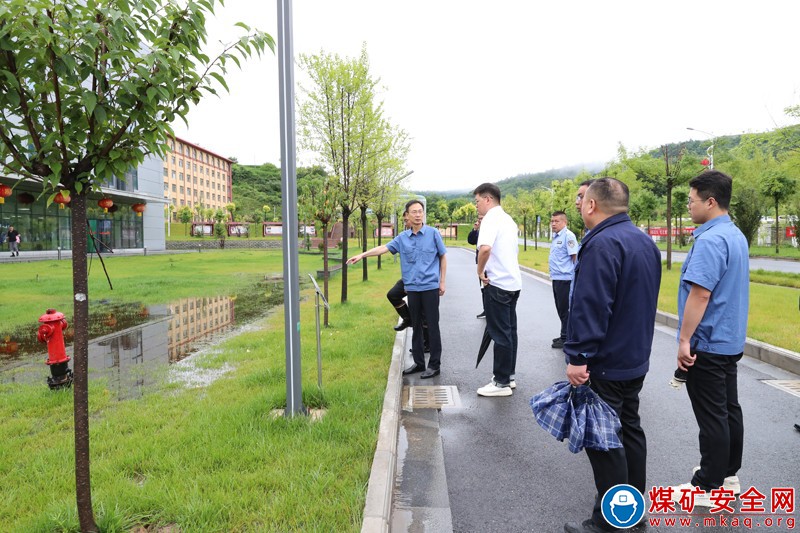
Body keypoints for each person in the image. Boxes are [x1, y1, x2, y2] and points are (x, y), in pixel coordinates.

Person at [563, 178, 661, 533]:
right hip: (635, 359)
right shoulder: (643, 241)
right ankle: (633, 516)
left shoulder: (602, 243)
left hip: (605, 362)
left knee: (603, 442)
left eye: (582, 201)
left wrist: (578, 357)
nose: (580, 206)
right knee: (629, 432)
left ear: (592, 205)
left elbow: (591, 306)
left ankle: (612, 523)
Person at [670, 170, 749, 506]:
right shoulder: (734, 235)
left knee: (712, 416)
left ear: (710, 201)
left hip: (708, 342)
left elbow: (700, 295)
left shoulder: (710, 240)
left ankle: (707, 486)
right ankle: (727, 474)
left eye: (691, 200)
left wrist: (685, 340)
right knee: (728, 410)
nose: (688, 206)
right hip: (729, 339)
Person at [347, 199, 447, 379]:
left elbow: (443, 257)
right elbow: (383, 248)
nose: (417, 215)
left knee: (432, 326)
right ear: (407, 215)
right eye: (414, 212)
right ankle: (418, 363)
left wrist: (442, 282)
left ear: (423, 214)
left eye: (420, 211)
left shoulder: (433, 234)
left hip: (430, 287)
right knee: (415, 325)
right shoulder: (402, 238)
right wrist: (362, 255)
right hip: (412, 288)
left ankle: (434, 365)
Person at [473, 183, 522, 397]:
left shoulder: (491, 219)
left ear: (487, 199)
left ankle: (500, 383)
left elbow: (485, 248)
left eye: (477, 201)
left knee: (499, 333)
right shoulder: (508, 219)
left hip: (497, 284)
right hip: (512, 283)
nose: (476, 206)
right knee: (509, 331)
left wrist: (480, 270)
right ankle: (508, 376)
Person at [549, 211, 577, 349]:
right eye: (552, 221)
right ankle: (564, 334)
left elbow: (574, 258)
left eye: (556, 221)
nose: (553, 224)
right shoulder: (556, 237)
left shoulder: (568, 236)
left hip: (565, 279)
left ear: (564, 222)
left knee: (565, 309)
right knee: (560, 308)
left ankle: (566, 337)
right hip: (556, 278)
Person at [467, 214, 485, 319]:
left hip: (488, 265)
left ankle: (490, 310)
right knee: (483, 288)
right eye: (479, 219)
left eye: (481, 219)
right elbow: (471, 241)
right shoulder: (479, 232)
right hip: (481, 264)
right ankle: (486, 309)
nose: (479, 221)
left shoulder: (489, 231)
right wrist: (474, 229)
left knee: (488, 289)